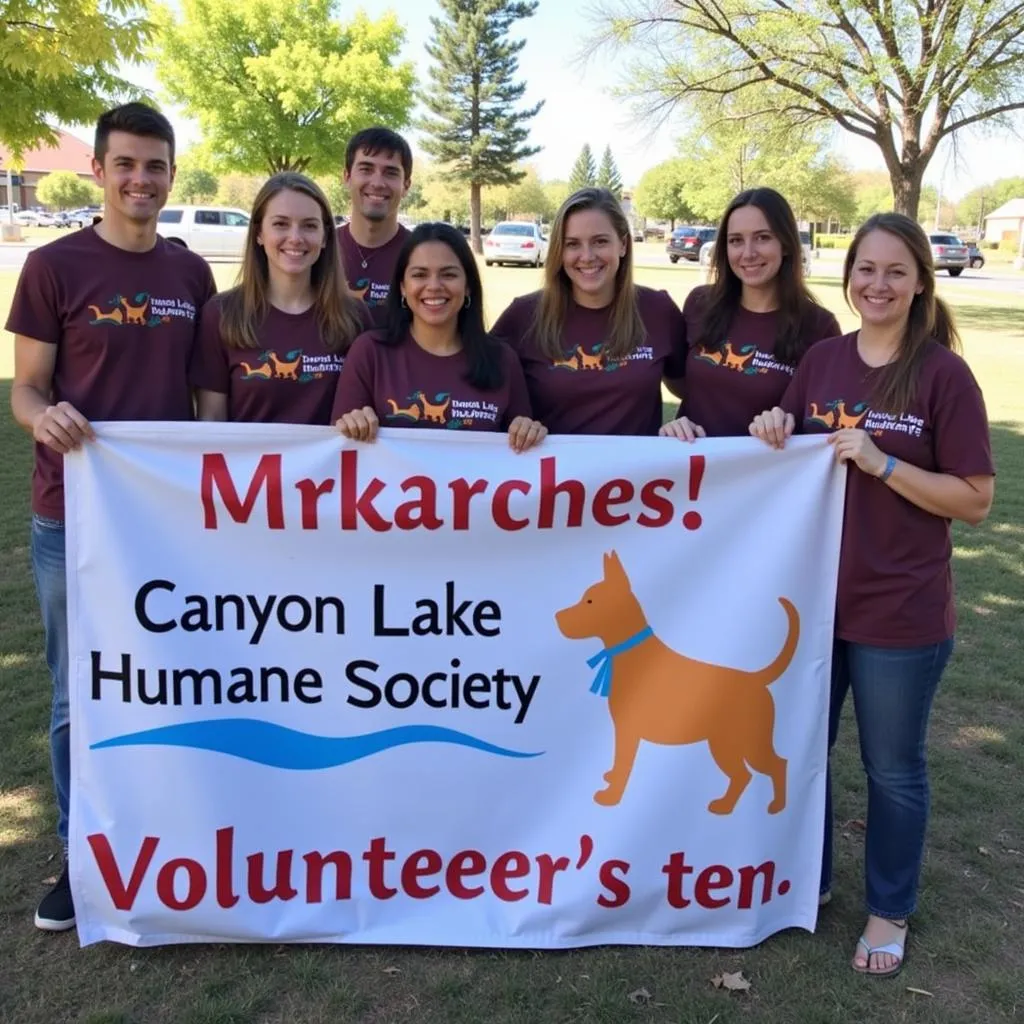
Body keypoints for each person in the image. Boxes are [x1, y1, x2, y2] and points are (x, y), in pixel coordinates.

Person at [750, 213, 995, 976]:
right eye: (865, 269)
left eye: (895, 271)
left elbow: (975, 498)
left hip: (901, 613)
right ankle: (808, 882)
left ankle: (888, 910)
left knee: (893, 768)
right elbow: (787, 435)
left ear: (921, 280)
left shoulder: (941, 374)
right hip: (816, 605)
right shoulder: (822, 361)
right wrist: (770, 422)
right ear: (847, 274)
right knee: (802, 751)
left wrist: (884, 464)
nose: (877, 284)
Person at [6, 102, 217, 932]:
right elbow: (27, 386)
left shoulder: (189, 274)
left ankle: (177, 832)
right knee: (77, 692)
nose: (141, 180)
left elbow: (208, 404)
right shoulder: (53, 266)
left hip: (170, 521)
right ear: (96, 169)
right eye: (125, 164)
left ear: (171, 172)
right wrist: (40, 417)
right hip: (74, 518)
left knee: (178, 678)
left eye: (155, 165)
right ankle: (80, 853)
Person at [332, 222, 545, 451]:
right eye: (419, 275)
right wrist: (351, 425)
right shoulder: (370, 352)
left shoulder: (503, 360)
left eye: (448, 274)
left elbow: (523, 459)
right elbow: (339, 451)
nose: (433, 286)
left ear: (468, 287)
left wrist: (528, 431)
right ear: (403, 287)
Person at [491, 187, 687, 436]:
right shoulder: (523, 316)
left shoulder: (658, 310)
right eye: (572, 244)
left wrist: (682, 423)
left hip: (637, 474)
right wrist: (518, 423)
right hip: (552, 473)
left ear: (623, 244)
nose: (587, 256)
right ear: (559, 252)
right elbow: (478, 396)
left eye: (600, 241)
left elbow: (694, 391)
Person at [662, 187, 840, 440]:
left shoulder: (819, 326)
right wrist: (678, 426)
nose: (748, 253)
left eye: (762, 237)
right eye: (736, 240)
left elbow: (822, 423)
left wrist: (786, 421)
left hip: (768, 474)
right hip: (695, 471)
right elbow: (681, 383)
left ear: (786, 244)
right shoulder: (700, 303)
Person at [191, 173, 367, 423]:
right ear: (259, 234)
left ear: (325, 236)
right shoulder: (221, 315)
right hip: (248, 463)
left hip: (335, 464)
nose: (295, 237)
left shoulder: (355, 317)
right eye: (281, 224)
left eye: (309, 225)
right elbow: (211, 421)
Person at [337, 127, 413, 324]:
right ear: (346, 177)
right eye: (366, 169)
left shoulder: (421, 255)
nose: (378, 183)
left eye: (391, 172)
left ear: (406, 185)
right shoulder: (319, 249)